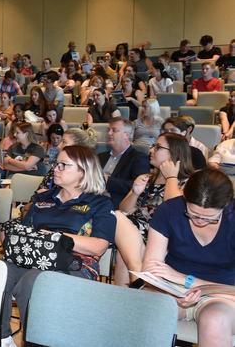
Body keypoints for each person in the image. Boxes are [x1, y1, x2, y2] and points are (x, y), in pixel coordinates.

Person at [0, 145, 117, 347]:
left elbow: (99, 247)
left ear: (83, 171)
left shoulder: (100, 203)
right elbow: (26, 232)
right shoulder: (44, 198)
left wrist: (57, 237)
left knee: (35, 280)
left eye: (63, 165)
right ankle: (3, 339)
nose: (56, 169)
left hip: (76, 264)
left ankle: (35, 343)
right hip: (34, 257)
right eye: (56, 164)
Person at [144, 169, 235, 347]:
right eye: (192, 214)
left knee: (215, 321)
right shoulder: (170, 210)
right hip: (171, 288)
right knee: (148, 313)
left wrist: (186, 281)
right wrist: (172, 290)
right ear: (185, 199)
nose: (200, 221)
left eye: (210, 218)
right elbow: (151, 266)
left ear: (225, 206)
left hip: (222, 296)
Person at [116, 132, 194, 286]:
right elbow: (124, 209)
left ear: (174, 153)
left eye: (158, 147)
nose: (151, 150)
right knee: (118, 215)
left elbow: (175, 210)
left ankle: (133, 283)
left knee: (123, 250)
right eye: (153, 146)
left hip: (160, 234)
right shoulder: (148, 177)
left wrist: (171, 177)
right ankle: (137, 271)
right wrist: (134, 192)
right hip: (135, 230)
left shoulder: (188, 182)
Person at [99, 118, 150, 208]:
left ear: (126, 135)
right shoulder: (100, 156)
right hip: (91, 199)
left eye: (114, 130)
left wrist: (107, 180)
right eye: (108, 130)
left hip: (114, 204)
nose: (109, 133)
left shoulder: (138, 158)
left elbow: (137, 186)